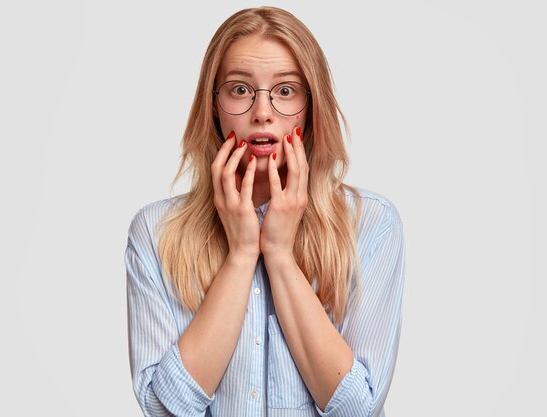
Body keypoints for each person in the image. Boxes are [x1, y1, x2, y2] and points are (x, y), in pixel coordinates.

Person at [124, 6, 405, 417]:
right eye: (239, 89)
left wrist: (277, 252)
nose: (262, 112)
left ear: (311, 108)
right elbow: (164, 409)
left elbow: (357, 408)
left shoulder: (373, 224)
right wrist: (240, 255)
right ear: (214, 106)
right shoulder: (154, 231)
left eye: (286, 90)